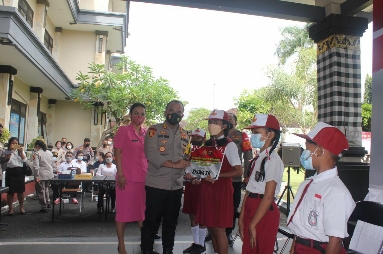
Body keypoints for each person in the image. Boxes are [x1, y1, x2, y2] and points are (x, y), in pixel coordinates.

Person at [287, 122, 354, 254]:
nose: (304, 153)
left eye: (307, 148)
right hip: (302, 247)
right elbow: (300, 228)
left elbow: (335, 242)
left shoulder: (335, 192)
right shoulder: (308, 183)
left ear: (319, 150)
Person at [141, 100, 190, 254]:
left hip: (176, 185)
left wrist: (189, 168)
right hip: (156, 184)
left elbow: (187, 157)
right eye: (171, 110)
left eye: (178, 111)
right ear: (165, 112)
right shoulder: (154, 130)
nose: (175, 113)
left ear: (182, 114)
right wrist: (173, 164)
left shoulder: (185, 135)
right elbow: (151, 154)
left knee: (171, 222)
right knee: (151, 221)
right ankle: (147, 250)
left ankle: (168, 250)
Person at [195, 109, 242, 254]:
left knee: (219, 229)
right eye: (210, 122)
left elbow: (238, 171)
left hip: (221, 191)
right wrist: (196, 175)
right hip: (207, 189)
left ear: (224, 126)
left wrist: (218, 175)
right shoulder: (208, 144)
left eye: (216, 122)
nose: (211, 125)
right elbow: (203, 167)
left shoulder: (230, 145)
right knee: (211, 227)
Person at [238, 114, 284, 254]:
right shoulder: (259, 157)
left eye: (257, 132)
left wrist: (252, 224)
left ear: (270, 134)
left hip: (262, 210)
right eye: (252, 132)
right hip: (251, 206)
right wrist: (242, 216)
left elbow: (269, 195)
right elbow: (250, 188)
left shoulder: (272, 160)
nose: (253, 136)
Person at [114, 103, 148, 254]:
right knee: (123, 213)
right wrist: (120, 174)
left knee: (142, 213)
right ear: (130, 115)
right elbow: (117, 154)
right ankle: (121, 245)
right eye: (136, 113)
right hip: (126, 179)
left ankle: (145, 244)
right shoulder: (123, 131)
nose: (139, 116)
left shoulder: (147, 134)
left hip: (143, 179)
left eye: (142, 113)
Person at [226, 113, 253, 245]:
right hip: (218, 179)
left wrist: (247, 175)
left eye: (230, 120)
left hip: (234, 179)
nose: (228, 122)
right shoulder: (217, 135)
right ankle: (213, 231)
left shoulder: (242, 135)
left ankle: (228, 233)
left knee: (232, 207)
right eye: (226, 120)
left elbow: (248, 155)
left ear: (235, 123)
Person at [182, 128, 207, 254]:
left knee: (201, 215)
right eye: (193, 137)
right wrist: (187, 175)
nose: (195, 139)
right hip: (190, 186)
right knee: (192, 214)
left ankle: (201, 244)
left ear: (203, 139)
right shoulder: (188, 152)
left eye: (198, 137)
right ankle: (196, 243)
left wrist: (200, 178)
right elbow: (185, 166)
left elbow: (210, 170)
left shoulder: (208, 152)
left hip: (202, 187)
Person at [2, 137, 27, 215]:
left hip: (19, 171)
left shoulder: (20, 151)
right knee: (10, 192)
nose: (15, 145)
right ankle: (10, 209)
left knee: (20, 191)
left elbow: (24, 160)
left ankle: (21, 207)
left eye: (16, 143)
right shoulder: (6, 151)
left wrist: (21, 151)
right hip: (10, 171)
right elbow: (5, 161)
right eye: (13, 143)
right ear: (10, 144)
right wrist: (10, 152)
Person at [32, 140, 54, 213]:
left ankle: (44, 206)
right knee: (46, 188)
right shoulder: (49, 152)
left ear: (37, 146)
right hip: (49, 173)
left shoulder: (37, 153)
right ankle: (48, 202)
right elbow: (51, 163)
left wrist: (36, 176)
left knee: (41, 190)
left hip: (41, 174)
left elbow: (36, 166)